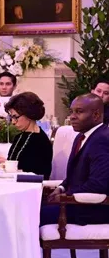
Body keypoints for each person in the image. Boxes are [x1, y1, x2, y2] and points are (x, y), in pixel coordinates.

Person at [42, 94, 109, 226]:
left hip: (92, 209)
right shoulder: (80, 137)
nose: (72, 116)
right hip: (74, 203)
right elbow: (74, 175)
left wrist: (66, 195)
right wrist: (61, 188)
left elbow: (98, 184)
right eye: (71, 111)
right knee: (28, 207)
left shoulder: (103, 140)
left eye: (79, 112)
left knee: (31, 215)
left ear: (96, 115)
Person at [0, 92, 52, 178]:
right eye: (11, 117)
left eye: (16, 117)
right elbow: (20, 164)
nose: (13, 122)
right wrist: (4, 162)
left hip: (32, 184)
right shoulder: (20, 136)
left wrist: (6, 164)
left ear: (29, 114)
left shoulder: (40, 142)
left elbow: (35, 172)